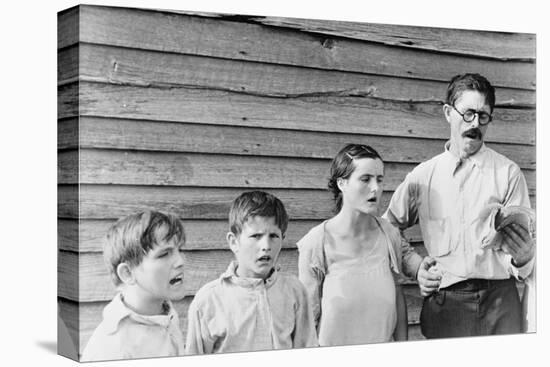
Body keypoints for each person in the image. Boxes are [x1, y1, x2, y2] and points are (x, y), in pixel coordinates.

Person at [383, 73, 535, 338]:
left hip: (501, 303)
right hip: (446, 304)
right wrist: (417, 267)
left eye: (483, 116)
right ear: (447, 113)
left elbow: (522, 248)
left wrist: (524, 258)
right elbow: (388, 229)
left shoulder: (508, 173)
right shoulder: (423, 177)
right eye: (468, 113)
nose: (475, 123)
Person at [297, 144, 412, 346]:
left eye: (380, 179)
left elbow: (397, 297)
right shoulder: (316, 242)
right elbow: (306, 320)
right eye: (365, 179)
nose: (375, 188)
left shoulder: (389, 234)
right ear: (342, 183)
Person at [185, 191, 318, 354]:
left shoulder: (294, 292)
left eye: (274, 236)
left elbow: (307, 353)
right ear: (234, 242)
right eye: (256, 236)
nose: (266, 245)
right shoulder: (209, 300)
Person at [81, 211, 186, 361]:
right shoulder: (112, 349)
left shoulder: (167, 315)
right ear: (127, 273)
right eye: (164, 254)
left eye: (179, 250)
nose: (180, 261)